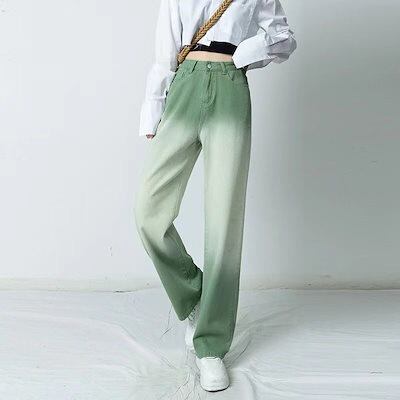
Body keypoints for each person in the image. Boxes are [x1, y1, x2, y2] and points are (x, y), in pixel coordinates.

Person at [134, 0, 297, 392]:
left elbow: (284, 38)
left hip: (230, 88)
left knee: (224, 222)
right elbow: (165, 52)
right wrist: (153, 107)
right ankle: (195, 297)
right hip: (185, 85)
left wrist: (246, 53)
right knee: (148, 213)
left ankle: (211, 346)